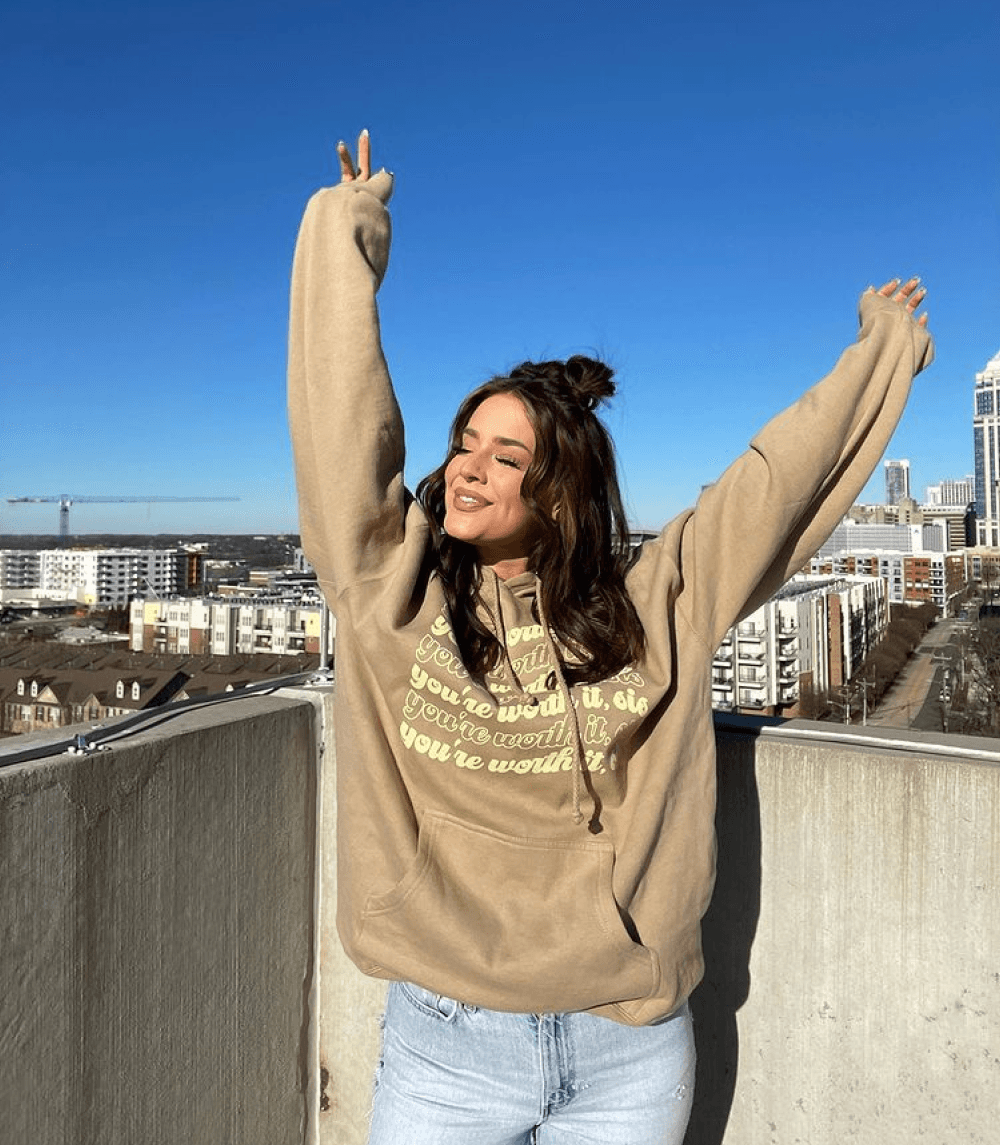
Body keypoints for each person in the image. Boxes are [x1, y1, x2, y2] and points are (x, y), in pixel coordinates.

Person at [288, 130, 932, 1145]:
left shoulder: (658, 600)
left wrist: (879, 347)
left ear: (562, 491)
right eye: (464, 443)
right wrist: (346, 233)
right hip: (447, 1044)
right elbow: (338, 433)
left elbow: (772, 481)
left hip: (627, 1050)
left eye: (507, 455)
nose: (466, 467)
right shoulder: (391, 594)